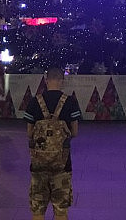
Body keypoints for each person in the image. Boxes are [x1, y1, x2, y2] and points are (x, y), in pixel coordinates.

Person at [24, 66, 81, 220]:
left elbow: (29, 133)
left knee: (38, 209)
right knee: (61, 210)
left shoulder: (34, 102)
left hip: (38, 165)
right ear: (62, 81)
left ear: (46, 80)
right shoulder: (70, 102)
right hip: (62, 165)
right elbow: (74, 132)